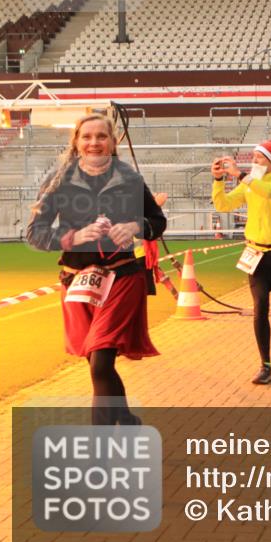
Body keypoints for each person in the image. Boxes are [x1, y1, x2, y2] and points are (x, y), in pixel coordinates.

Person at [26, 113, 167, 425]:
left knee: (101, 362)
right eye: (86, 137)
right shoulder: (58, 181)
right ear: (76, 142)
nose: (93, 143)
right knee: (97, 362)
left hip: (122, 278)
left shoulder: (130, 179)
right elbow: (35, 232)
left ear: (112, 142)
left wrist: (135, 225)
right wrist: (72, 237)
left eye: (101, 136)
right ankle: (127, 418)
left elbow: (157, 223)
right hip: (77, 282)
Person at [212, 140, 271, 385]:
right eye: (253, 157)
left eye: (260, 157)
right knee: (260, 307)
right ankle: (265, 365)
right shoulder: (249, 183)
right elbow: (223, 204)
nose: (255, 161)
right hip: (256, 254)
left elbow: (269, 192)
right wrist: (219, 180)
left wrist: (240, 175)